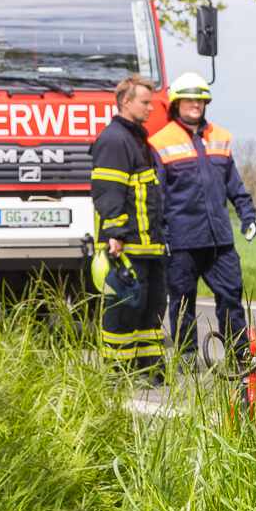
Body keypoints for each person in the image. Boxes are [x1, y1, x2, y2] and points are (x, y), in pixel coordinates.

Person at [150, 72, 256, 371]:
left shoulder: (220, 137)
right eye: (189, 99)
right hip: (181, 239)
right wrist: (159, 235)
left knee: (231, 296)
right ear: (177, 103)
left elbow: (234, 185)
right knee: (183, 301)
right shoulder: (160, 142)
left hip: (220, 240)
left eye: (200, 99)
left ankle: (240, 355)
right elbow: (157, 196)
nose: (195, 104)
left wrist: (247, 214)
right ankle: (186, 357)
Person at [89, 74, 168, 380]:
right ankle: (117, 373)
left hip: (148, 246)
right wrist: (115, 234)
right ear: (126, 101)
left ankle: (150, 371)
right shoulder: (114, 139)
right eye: (145, 102)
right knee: (123, 310)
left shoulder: (135, 138)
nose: (150, 108)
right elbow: (108, 193)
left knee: (150, 309)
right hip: (126, 245)